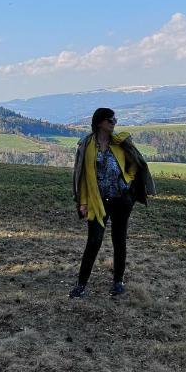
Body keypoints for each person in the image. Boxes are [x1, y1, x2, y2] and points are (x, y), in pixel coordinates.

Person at [69, 107, 156, 298]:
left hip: (121, 199)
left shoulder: (120, 142)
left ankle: (118, 281)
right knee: (94, 241)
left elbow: (135, 162)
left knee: (119, 240)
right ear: (100, 122)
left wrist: (128, 178)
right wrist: (83, 202)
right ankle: (81, 284)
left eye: (115, 120)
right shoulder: (87, 145)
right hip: (96, 201)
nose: (114, 123)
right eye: (110, 120)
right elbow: (82, 177)